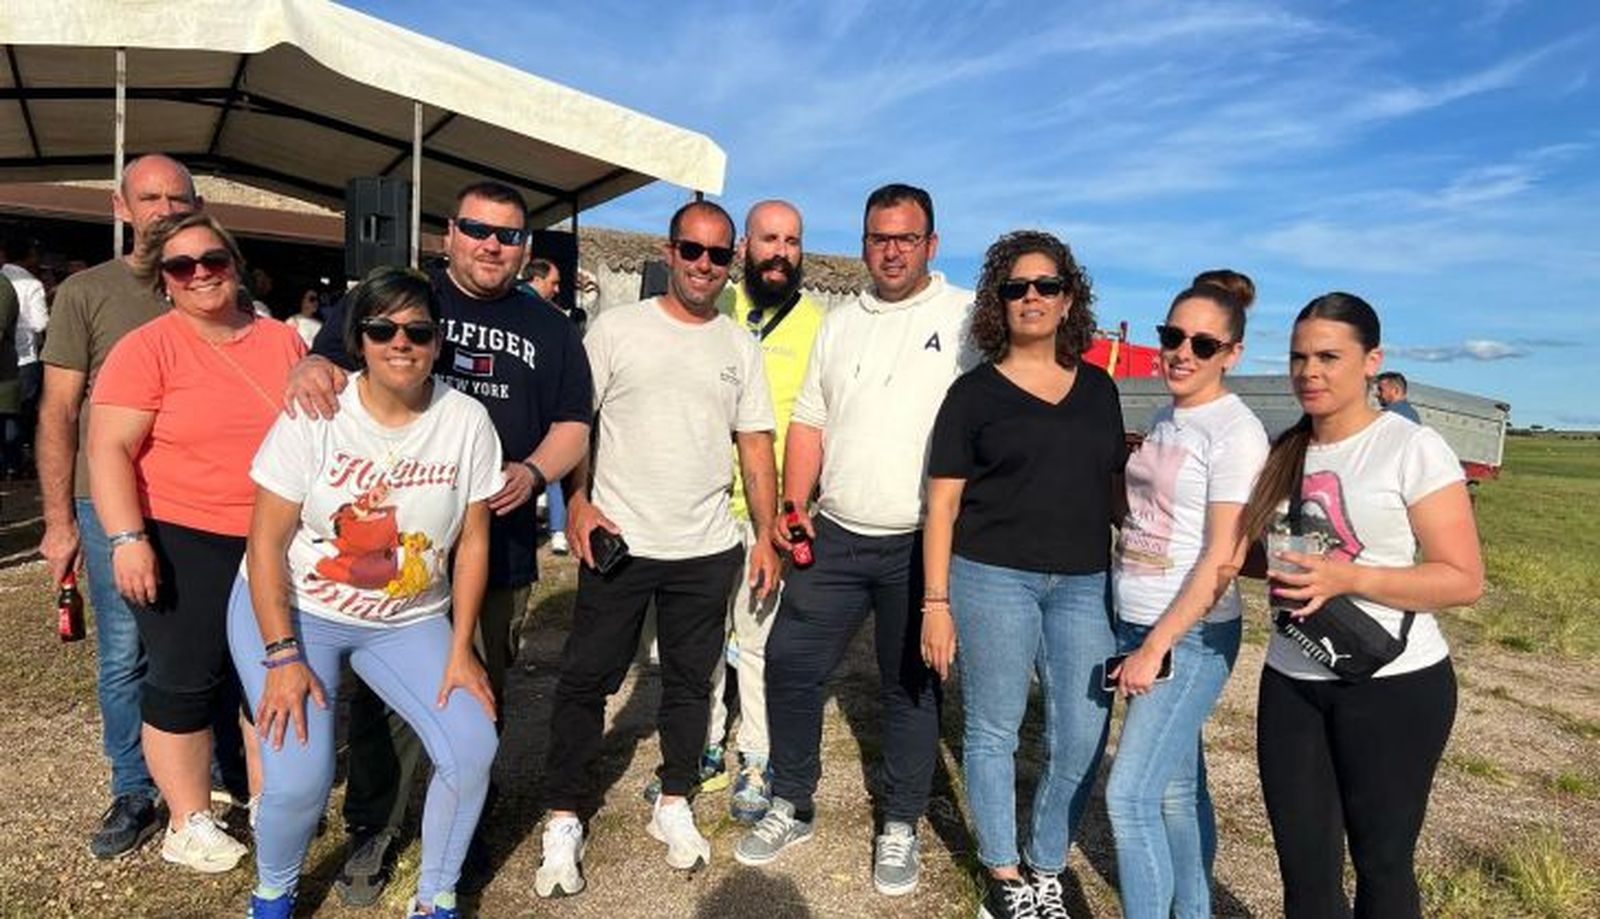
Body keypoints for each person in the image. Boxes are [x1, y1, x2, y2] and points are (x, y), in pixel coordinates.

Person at [287, 180, 592, 902]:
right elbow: (328, 359)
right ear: (449, 232)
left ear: (525, 247)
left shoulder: (549, 328)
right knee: (383, 701)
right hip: (393, 541)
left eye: (510, 235)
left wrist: (533, 469)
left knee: (479, 685)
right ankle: (377, 826)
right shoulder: (403, 297)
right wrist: (307, 363)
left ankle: (464, 816)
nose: (494, 245)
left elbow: (575, 423)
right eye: (480, 230)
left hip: (500, 540)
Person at [234, 267, 502, 919]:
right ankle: (273, 891)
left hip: (407, 617)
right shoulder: (317, 414)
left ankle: (435, 897)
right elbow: (265, 544)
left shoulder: (466, 420)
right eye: (382, 328)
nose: (400, 342)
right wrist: (281, 657)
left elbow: (472, 542)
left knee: (473, 745)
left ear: (438, 342)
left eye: (418, 330)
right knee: (300, 778)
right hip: (297, 609)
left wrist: (462, 647)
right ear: (359, 340)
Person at [535, 200, 780, 897]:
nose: (704, 265)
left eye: (717, 255)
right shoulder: (616, 330)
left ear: (730, 262)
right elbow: (577, 422)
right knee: (588, 680)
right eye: (692, 250)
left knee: (689, 683)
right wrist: (576, 501)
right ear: (668, 252)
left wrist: (764, 535)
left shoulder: (740, 345)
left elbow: (755, 446)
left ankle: (674, 801)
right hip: (622, 542)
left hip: (705, 548)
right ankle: (563, 815)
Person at [736, 183, 973, 898]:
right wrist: (793, 502)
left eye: (905, 237)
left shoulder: (966, 319)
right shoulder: (841, 322)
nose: (891, 250)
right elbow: (808, 420)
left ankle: (899, 821)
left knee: (911, 684)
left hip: (920, 539)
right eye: (878, 237)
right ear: (863, 242)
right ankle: (792, 799)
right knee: (788, 661)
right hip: (836, 531)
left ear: (932, 243)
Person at [1241, 292, 1483, 918]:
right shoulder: (1282, 450)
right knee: (1306, 877)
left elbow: (1461, 579)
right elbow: (1266, 560)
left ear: (1372, 360)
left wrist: (1346, 579)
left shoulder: (1409, 448)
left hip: (1395, 686)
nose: (1308, 372)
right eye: (1298, 357)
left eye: (1328, 356)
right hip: (1292, 681)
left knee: (1382, 867)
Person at [87, 213, 306, 873]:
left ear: (235, 263)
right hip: (184, 532)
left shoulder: (283, 343)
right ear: (164, 281)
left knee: (266, 672)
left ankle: (269, 797)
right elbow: (107, 449)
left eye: (213, 258)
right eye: (182, 266)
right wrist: (127, 538)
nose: (201, 272)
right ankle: (188, 817)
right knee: (183, 678)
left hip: (273, 534)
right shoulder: (146, 347)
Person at [918, 231, 1124, 919]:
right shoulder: (972, 395)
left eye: (1045, 286)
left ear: (1069, 299)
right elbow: (942, 502)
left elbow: (1116, 490)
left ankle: (1045, 862)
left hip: (1084, 583)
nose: (1030, 298)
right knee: (994, 730)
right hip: (991, 577)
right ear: (998, 302)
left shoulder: (1100, 390)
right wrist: (936, 600)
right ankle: (1005, 877)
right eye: (1015, 287)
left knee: (1081, 732)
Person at [37, 154, 211, 858]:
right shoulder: (88, 292)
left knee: (203, 644)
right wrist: (58, 523)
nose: (165, 207)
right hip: (109, 508)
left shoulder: (213, 283)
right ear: (121, 206)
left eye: (178, 196)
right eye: (150, 197)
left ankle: (210, 780)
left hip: (196, 506)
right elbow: (58, 411)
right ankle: (133, 787)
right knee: (123, 650)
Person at [1105, 271, 1268, 919]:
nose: (1181, 352)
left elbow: (1224, 555)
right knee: (1174, 790)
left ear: (1232, 354)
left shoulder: (1235, 432)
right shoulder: (1167, 417)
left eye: (1203, 344)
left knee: (1129, 797)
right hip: (1138, 616)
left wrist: (1157, 646)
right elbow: (1142, 516)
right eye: (1172, 336)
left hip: (1187, 636)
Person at [658, 200, 824, 822]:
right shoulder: (712, 308)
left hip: (769, 516)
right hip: (697, 510)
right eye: (768, 239)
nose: (780, 252)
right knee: (696, 642)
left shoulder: (818, 323)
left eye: (792, 240)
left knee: (756, 643)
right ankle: (701, 745)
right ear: (743, 248)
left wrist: (795, 508)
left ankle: (755, 756)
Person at [1, 234, 48, 477]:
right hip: (24, 357)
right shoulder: (32, 285)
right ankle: (13, 463)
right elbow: (40, 324)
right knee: (18, 414)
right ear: (30, 256)